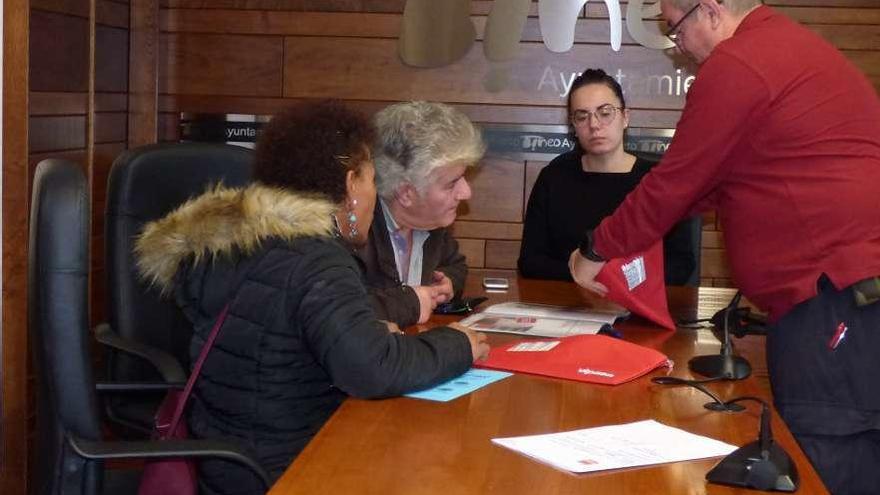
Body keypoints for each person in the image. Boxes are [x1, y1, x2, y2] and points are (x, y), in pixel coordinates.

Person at [569, 1, 880, 493]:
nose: (680, 48)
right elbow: (713, 184)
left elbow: (675, 181)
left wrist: (595, 250)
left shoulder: (738, 63)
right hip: (849, 297)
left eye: (675, 30)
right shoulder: (787, 48)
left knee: (831, 460)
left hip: (833, 300)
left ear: (710, 10)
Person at [135, 100, 489, 495]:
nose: (376, 193)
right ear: (351, 185)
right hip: (288, 468)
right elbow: (372, 368)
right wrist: (458, 343)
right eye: (372, 180)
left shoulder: (233, 244)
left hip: (225, 458)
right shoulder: (315, 259)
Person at [517, 68, 700, 285]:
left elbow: (680, 265)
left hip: (639, 305)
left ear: (625, 117)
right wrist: (583, 277)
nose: (594, 125)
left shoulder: (658, 181)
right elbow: (530, 261)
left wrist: (612, 280)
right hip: (568, 305)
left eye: (605, 113)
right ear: (573, 126)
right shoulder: (554, 178)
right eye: (582, 116)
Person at [356, 101, 486, 327]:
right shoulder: (355, 233)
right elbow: (344, 311)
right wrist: (410, 302)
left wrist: (449, 284)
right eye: (451, 183)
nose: (466, 192)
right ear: (406, 193)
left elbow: (455, 264)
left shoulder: (431, 223)